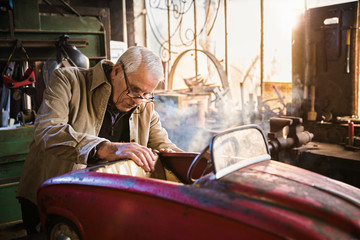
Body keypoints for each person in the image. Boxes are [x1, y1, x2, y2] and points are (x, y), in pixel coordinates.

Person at [16, 46, 182, 235]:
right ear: (117, 70)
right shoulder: (68, 80)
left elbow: (164, 145)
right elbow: (47, 130)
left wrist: (193, 161)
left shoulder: (144, 106)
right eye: (134, 89)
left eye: (146, 94)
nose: (138, 100)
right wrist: (105, 148)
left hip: (100, 202)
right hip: (50, 196)